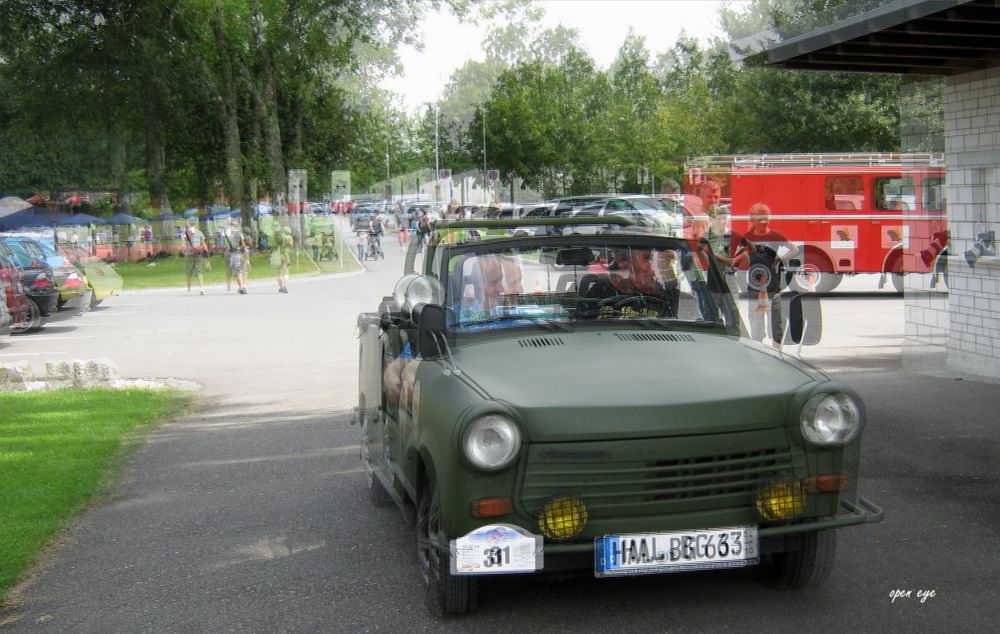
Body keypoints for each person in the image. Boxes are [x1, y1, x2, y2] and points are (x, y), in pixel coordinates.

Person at [730, 203, 799, 346]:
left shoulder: (775, 235)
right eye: (760, 219)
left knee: (776, 326)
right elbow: (737, 257)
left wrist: (781, 258)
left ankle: (777, 354)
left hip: (772, 288)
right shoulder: (747, 237)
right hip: (755, 290)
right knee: (756, 328)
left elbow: (794, 249)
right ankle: (758, 354)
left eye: (766, 218)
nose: (763, 222)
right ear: (752, 220)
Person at [581, 246, 679, 318]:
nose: (654, 269)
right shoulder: (600, 293)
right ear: (622, 262)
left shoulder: (667, 297)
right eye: (647, 258)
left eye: (664, 262)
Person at [183, 218, 209, 295]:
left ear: (189, 223)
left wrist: (185, 251)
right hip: (198, 254)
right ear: (195, 224)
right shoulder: (200, 233)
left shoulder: (186, 233)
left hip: (190, 255)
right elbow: (204, 245)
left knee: (189, 273)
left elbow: (183, 246)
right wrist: (207, 255)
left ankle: (189, 289)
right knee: (199, 272)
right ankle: (201, 289)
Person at [223, 218, 248, 294]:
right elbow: (243, 245)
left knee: (229, 271)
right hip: (237, 253)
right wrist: (246, 256)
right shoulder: (239, 233)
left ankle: (229, 288)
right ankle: (241, 287)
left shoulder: (225, 232)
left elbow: (224, 244)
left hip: (228, 253)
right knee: (239, 271)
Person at [274, 225, 293, 294]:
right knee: (285, 271)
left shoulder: (279, 237)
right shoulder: (289, 237)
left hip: (278, 254)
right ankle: (284, 287)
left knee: (279, 272)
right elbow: (291, 246)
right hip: (285, 255)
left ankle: (280, 287)